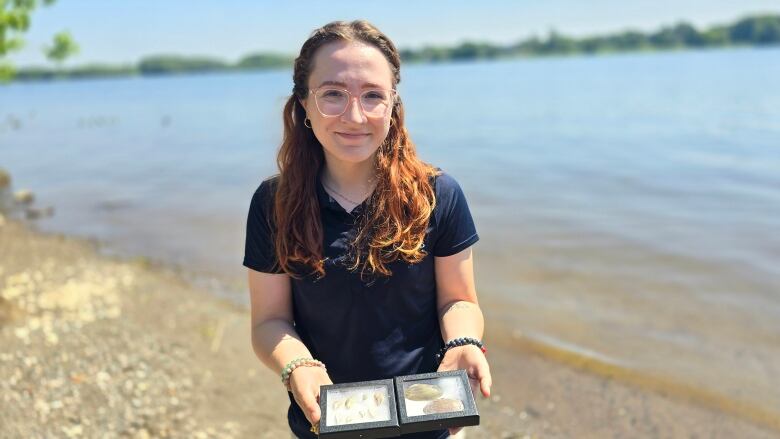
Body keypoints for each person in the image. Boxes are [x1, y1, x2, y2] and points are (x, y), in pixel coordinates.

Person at [244, 20, 491, 439]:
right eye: (333, 94)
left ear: (394, 105)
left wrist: (462, 342)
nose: (355, 115)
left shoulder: (437, 194)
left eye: (373, 95)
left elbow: (459, 300)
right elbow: (270, 321)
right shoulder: (273, 204)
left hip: (429, 417)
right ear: (304, 102)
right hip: (325, 419)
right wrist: (298, 366)